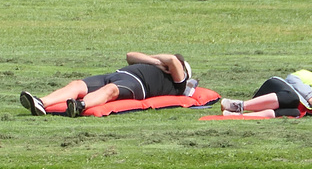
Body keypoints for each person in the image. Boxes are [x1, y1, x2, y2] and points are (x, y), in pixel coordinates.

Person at [20, 52, 192, 117]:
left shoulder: (179, 84)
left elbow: (172, 59)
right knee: (77, 84)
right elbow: (130, 56)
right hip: (117, 74)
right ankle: (40, 103)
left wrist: (166, 64)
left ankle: (80, 105)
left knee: (111, 90)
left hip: (137, 85)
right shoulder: (157, 65)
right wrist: (155, 62)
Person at [220, 69, 312, 118]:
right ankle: (239, 105)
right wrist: (311, 98)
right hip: (275, 89)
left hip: (279, 105)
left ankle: (238, 116)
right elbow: (292, 78)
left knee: (294, 113)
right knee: (292, 98)